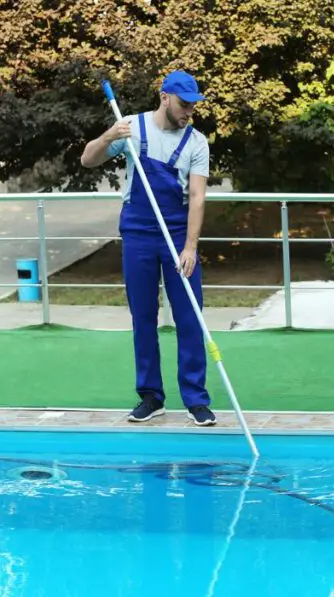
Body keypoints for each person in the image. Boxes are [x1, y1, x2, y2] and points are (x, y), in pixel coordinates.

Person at [80, 70, 216, 426]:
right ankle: (151, 397)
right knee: (143, 318)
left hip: (177, 235)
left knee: (190, 318)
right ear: (164, 97)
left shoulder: (197, 143)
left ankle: (196, 399)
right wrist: (109, 134)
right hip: (138, 233)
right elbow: (88, 159)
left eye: (194, 105)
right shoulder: (130, 128)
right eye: (184, 104)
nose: (189, 112)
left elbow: (198, 197)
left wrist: (190, 247)